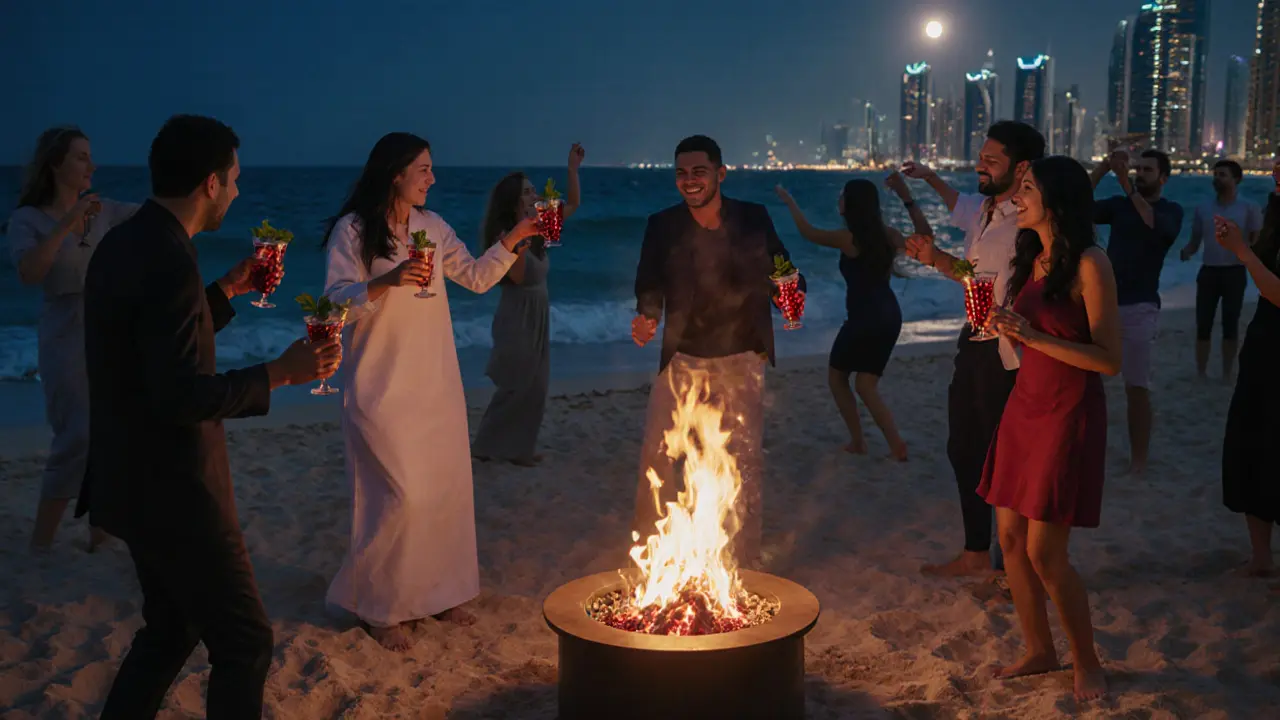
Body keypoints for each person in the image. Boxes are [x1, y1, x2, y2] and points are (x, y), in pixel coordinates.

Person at [77, 114, 341, 719]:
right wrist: (282, 373)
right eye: (236, 179)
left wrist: (221, 293)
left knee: (171, 629)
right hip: (176, 490)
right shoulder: (168, 258)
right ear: (211, 183)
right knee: (245, 641)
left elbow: (149, 347)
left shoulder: (128, 241)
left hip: (128, 478)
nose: (240, 191)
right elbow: (179, 395)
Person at [322, 132, 540, 651]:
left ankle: (441, 594)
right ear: (395, 172)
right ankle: (380, 604)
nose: (433, 178)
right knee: (398, 496)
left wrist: (514, 237)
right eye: (424, 169)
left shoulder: (432, 227)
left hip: (434, 379)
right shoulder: (353, 231)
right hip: (380, 381)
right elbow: (332, 305)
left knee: (443, 491)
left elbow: (479, 277)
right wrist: (389, 280)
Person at [982, 155, 1120, 702]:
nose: (1017, 196)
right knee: (1010, 539)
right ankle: (1039, 649)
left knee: (1045, 553)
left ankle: (1087, 661)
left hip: (1067, 413)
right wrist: (1008, 329)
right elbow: (1032, 332)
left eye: (1028, 187)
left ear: (1056, 199)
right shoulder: (1033, 257)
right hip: (1024, 407)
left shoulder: (1090, 263)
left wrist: (1033, 337)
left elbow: (1109, 360)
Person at [631, 134, 803, 567]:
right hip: (682, 361)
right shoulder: (662, 224)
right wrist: (647, 316)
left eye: (699, 172)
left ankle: (739, 563)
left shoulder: (753, 219)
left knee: (742, 467)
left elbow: (784, 272)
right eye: (682, 173)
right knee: (658, 459)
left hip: (741, 360)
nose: (689, 181)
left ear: (720, 174)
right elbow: (649, 282)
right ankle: (657, 559)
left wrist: (791, 294)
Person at [901, 120, 1046, 577]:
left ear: (1020, 166)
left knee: (1006, 459)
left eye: (990, 159)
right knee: (964, 449)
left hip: (1010, 352)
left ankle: (1014, 566)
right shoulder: (987, 212)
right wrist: (935, 258)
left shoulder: (1030, 222)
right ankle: (975, 553)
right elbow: (973, 273)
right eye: (980, 157)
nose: (979, 165)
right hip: (974, 340)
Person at [6, 126, 140, 551]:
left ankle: (99, 535)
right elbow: (30, 273)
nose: (92, 165)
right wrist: (68, 220)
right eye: (82, 156)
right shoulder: (27, 219)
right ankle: (41, 543)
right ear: (56, 163)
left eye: (90, 156)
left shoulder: (104, 210)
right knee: (75, 435)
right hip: (64, 334)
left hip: (108, 332)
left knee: (107, 434)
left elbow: (159, 218)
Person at [774, 172, 932, 459]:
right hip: (889, 315)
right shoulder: (889, 235)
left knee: (838, 378)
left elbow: (808, 233)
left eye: (843, 195)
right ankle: (895, 444)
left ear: (852, 203)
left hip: (864, 318)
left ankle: (860, 441)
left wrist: (789, 202)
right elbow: (926, 239)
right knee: (865, 384)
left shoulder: (848, 238)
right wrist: (907, 198)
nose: (839, 200)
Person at [472, 143, 585, 466]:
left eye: (535, 190)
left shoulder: (540, 226)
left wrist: (572, 169)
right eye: (527, 191)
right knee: (517, 385)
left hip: (538, 313)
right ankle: (485, 446)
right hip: (517, 315)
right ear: (514, 200)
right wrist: (519, 248)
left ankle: (518, 449)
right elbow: (519, 278)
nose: (535, 195)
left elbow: (574, 203)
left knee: (536, 385)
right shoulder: (508, 236)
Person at [1090, 147, 1184, 476]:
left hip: (1140, 306)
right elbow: (1075, 209)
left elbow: (1156, 227)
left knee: (1137, 387)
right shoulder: (1118, 206)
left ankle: (1139, 460)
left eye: (1147, 170)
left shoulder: (1172, 210)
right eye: (1137, 168)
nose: (1140, 173)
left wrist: (1125, 183)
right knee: (1088, 383)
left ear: (1163, 178)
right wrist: (1102, 169)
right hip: (1104, 303)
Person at [1215, 157, 1280, 580]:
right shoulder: (1277, 208)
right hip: (1264, 347)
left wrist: (1241, 252)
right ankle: (1260, 557)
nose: (1276, 169)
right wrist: (1239, 248)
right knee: (1251, 448)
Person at [1179, 159, 1262, 384]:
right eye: (1216, 174)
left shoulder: (1249, 208)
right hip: (1208, 272)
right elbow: (1195, 241)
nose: (1217, 178)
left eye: (1223, 174)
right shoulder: (1203, 208)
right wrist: (1186, 251)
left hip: (1234, 272)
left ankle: (1227, 372)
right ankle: (1201, 372)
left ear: (1236, 179)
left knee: (1230, 323)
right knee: (1203, 323)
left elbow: (1256, 241)